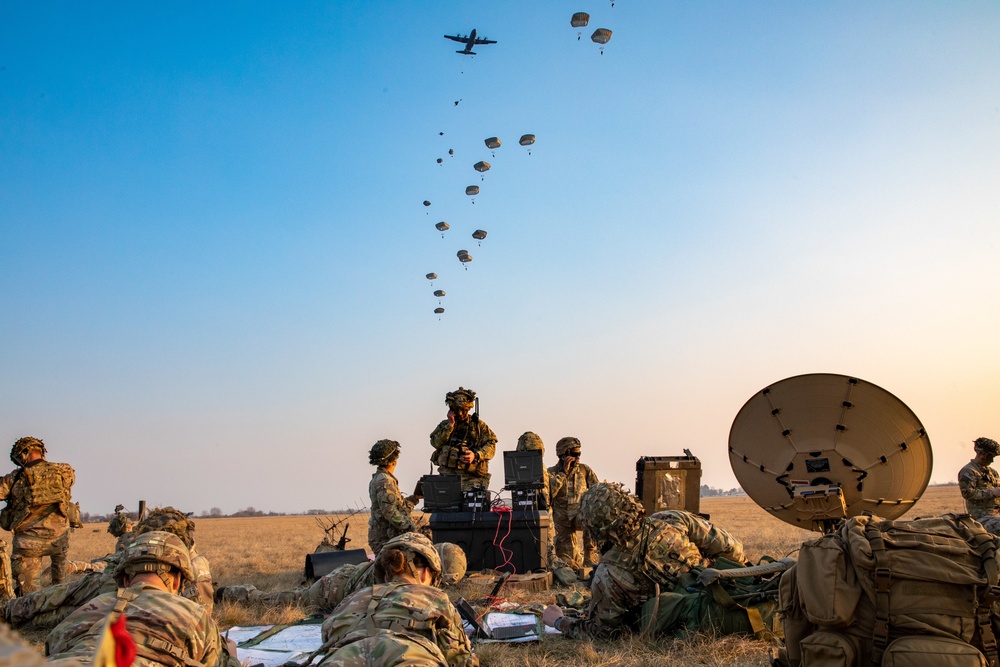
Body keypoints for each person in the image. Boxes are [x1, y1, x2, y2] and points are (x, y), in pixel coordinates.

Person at [542, 482, 746, 639]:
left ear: (594, 529)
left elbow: (603, 633)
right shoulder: (672, 519)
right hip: (728, 598)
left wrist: (559, 621)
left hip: (691, 621)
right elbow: (732, 549)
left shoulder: (608, 575)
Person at [5, 505, 214, 631]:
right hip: (119, 605)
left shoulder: (192, 568)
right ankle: (11, 611)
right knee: (65, 603)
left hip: (114, 606)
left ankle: (10, 611)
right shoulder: (194, 563)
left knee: (64, 606)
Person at [45, 531, 236, 667]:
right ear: (177, 580)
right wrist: (231, 654)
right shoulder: (193, 615)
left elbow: (52, 645)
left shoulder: (87, 609)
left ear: (125, 579)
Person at [313, 532, 478, 666]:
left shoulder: (353, 598)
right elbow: (459, 659)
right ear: (425, 572)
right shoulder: (435, 597)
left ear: (386, 573)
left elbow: (329, 636)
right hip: (409, 655)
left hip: (344, 656)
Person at [216, 541, 468, 611]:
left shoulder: (416, 547)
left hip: (353, 574)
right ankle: (232, 594)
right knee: (285, 600)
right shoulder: (407, 567)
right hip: (336, 588)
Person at [0, 436, 76, 595]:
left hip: (29, 544)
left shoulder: (15, 478)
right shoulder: (64, 471)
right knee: (60, 590)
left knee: (30, 595)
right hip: (59, 540)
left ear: (24, 454)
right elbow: (70, 481)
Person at [429, 387, 497, 491]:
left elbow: (491, 444)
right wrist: (450, 426)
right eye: (457, 410)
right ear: (451, 409)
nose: (460, 413)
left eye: (463, 410)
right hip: (448, 477)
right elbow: (435, 443)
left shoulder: (478, 426)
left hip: (471, 478)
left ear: (468, 409)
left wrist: (476, 455)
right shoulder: (445, 425)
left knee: (471, 504)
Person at [548, 436, 600, 570]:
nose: (578, 457)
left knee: (590, 520)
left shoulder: (584, 470)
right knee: (567, 561)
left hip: (579, 515)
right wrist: (563, 472)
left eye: (579, 454)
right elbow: (549, 494)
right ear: (563, 454)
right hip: (562, 519)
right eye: (574, 454)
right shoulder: (552, 472)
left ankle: (589, 557)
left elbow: (597, 490)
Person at [368, 439, 418, 555]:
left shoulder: (379, 478)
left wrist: (412, 500)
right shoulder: (385, 480)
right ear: (394, 460)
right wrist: (410, 527)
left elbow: (392, 506)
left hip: (385, 537)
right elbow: (389, 512)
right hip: (386, 538)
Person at [958, 437, 1000, 520]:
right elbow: (967, 493)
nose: (992, 461)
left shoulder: (993, 473)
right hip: (980, 518)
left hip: (996, 515)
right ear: (981, 454)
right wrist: (991, 492)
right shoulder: (969, 471)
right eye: (990, 457)